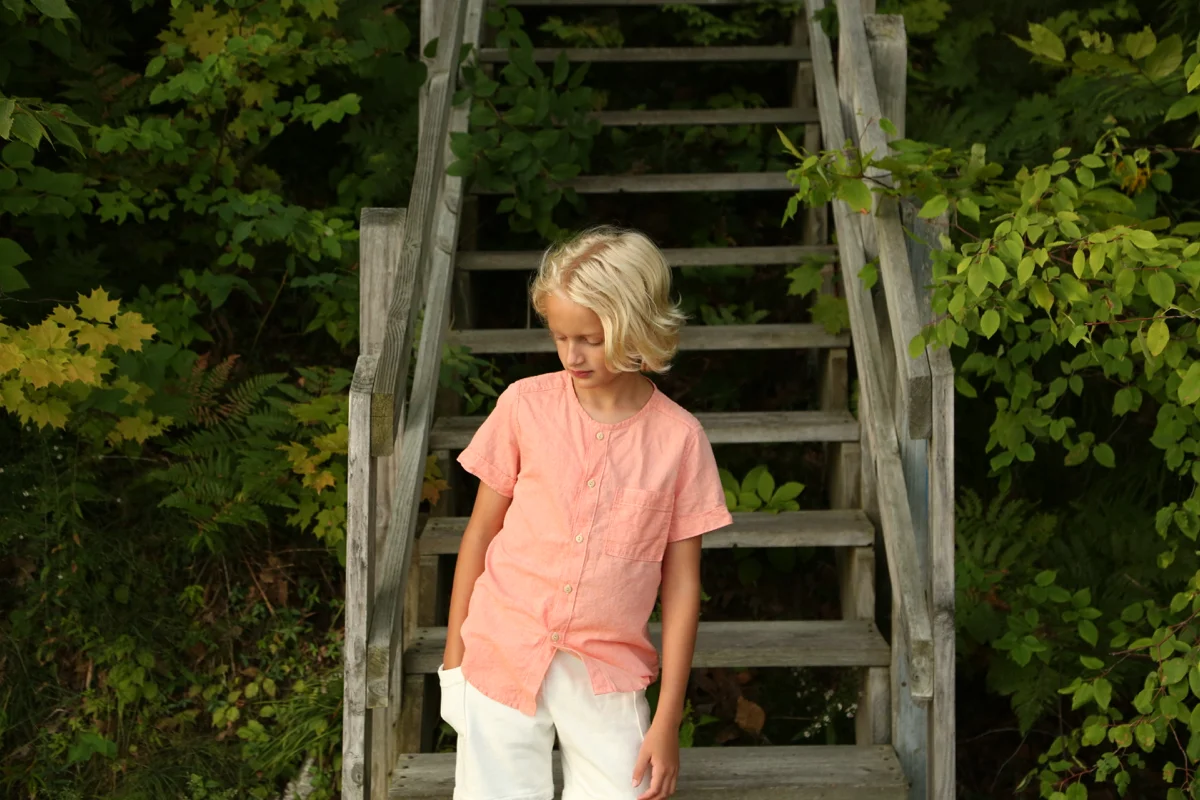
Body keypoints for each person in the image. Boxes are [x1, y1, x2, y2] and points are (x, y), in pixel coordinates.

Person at [439, 226, 733, 800]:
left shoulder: (680, 441)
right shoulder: (523, 406)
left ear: (639, 328)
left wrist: (667, 718)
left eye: (592, 339)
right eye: (559, 337)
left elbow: (681, 587)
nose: (573, 355)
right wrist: (455, 657)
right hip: (501, 650)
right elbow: (479, 535)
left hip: (608, 672)